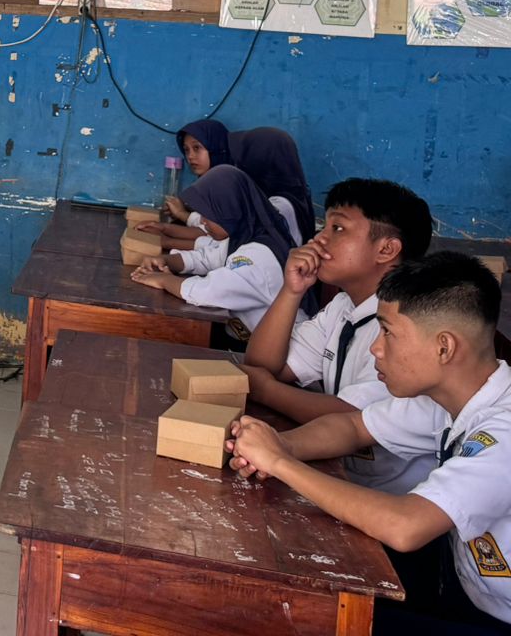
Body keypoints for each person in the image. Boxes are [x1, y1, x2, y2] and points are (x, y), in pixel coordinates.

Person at [229, 253, 511, 634]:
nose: (376, 348)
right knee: (305, 591)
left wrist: (281, 464)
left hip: (495, 616)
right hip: (462, 582)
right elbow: (353, 427)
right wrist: (278, 445)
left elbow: (405, 526)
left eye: (388, 333)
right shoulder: (447, 396)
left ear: (444, 348)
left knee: (309, 621)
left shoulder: (504, 431)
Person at [242, 179, 435, 492]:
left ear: (386, 249)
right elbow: (262, 365)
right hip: (341, 476)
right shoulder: (344, 306)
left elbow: (350, 417)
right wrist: (292, 291)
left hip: (394, 499)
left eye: (338, 228)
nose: (319, 238)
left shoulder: (408, 326)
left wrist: (264, 389)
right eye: (325, 226)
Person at [132, 164, 304, 341]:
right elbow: (208, 258)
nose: (203, 222)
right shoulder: (244, 236)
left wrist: (164, 280)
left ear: (230, 210)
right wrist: (167, 260)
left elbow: (208, 292)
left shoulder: (259, 254)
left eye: (208, 214)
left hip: (282, 350)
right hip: (249, 338)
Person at [161, 120, 315, 247]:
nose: (190, 157)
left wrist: (182, 218)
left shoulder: (280, 206)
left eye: (197, 148)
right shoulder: (248, 191)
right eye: (186, 150)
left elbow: (226, 240)